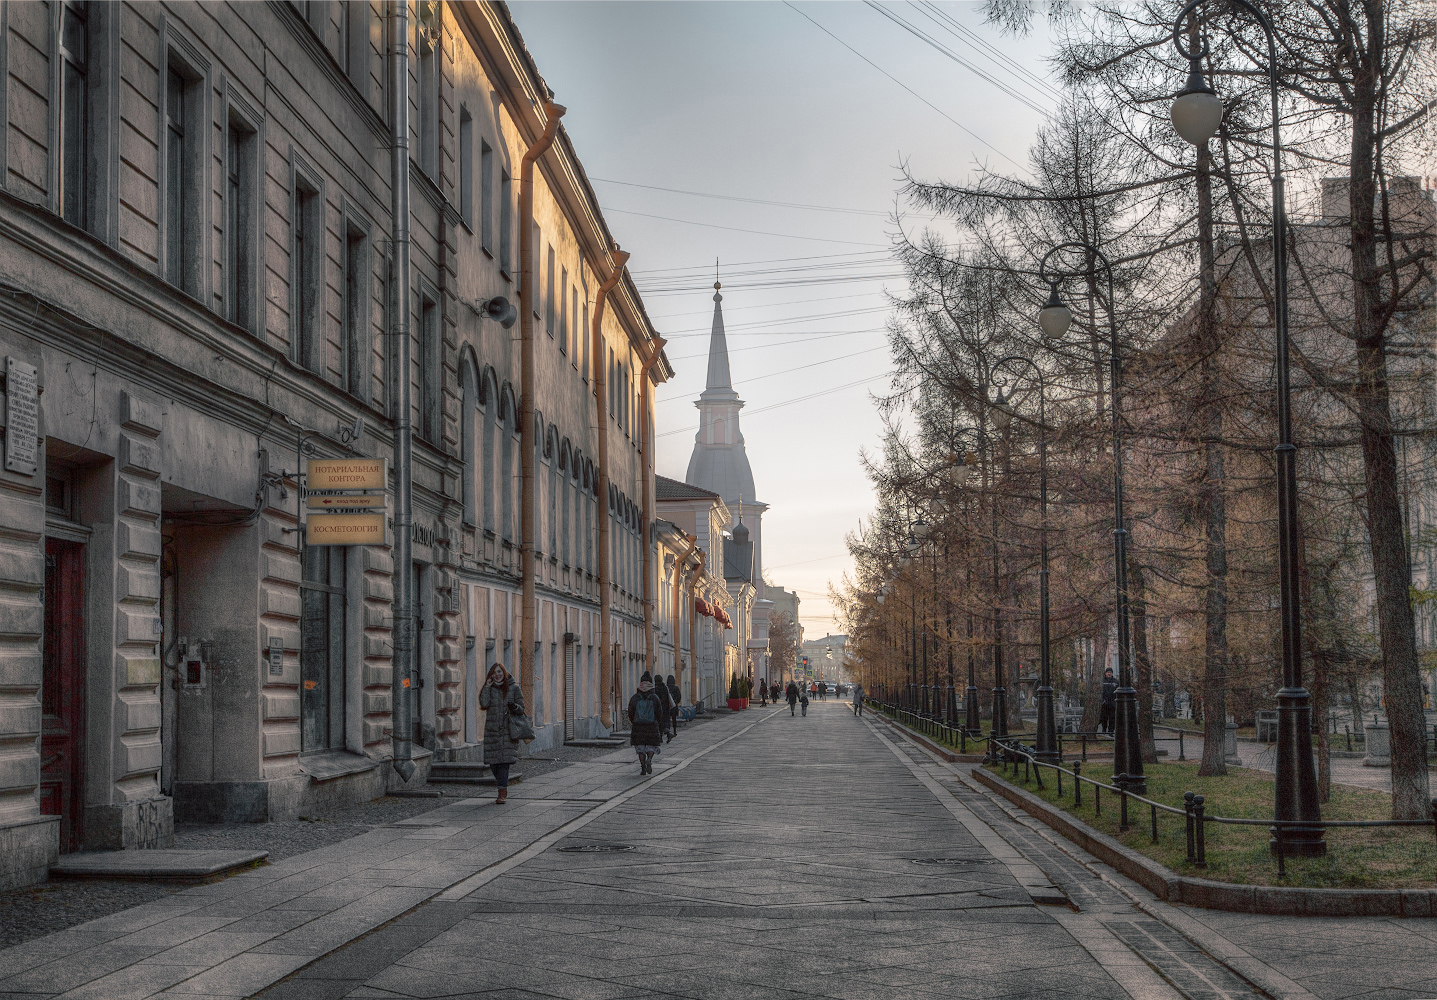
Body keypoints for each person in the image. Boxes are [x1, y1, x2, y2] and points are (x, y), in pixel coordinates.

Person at [479, 663, 524, 805]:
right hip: (492, 731)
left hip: (508, 732)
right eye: (494, 672)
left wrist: (515, 707)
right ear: (491, 675)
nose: (497, 674)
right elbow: (484, 704)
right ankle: (501, 785)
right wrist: (486, 686)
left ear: (504, 673)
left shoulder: (514, 688)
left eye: (499, 672)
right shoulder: (489, 689)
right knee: (493, 763)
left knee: (504, 763)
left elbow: (521, 709)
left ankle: (502, 793)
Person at [629, 671, 664, 774]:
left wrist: (634, 722)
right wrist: (656, 722)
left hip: (638, 727)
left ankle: (643, 767)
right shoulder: (654, 697)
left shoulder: (635, 697)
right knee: (651, 746)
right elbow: (659, 712)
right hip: (651, 726)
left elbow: (630, 711)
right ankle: (649, 759)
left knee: (640, 748)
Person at [653, 669, 675, 743]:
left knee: (659, 723)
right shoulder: (665, 687)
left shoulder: (656, 689)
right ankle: (667, 734)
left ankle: (662, 736)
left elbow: (655, 699)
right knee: (665, 722)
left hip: (658, 708)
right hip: (666, 708)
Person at [1099, 667, 1117, 734]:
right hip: (1104, 703)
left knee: (1112, 718)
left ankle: (1111, 731)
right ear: (1105, 673)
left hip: (1113, 703)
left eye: (1110, 672)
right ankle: (1104, 729)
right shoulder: (1102, 681)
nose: (1109, 674)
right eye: (1108, 672)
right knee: (1104, 717)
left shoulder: (1116, 681)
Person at [666, 673, 682, 738]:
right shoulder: (676, 688)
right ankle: (675, 731)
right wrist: (675, 702)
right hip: (674, 706)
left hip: (667, 706)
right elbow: (679, 697)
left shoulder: (666, 687)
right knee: (674, 719)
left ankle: (668, 732)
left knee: (667, 719)